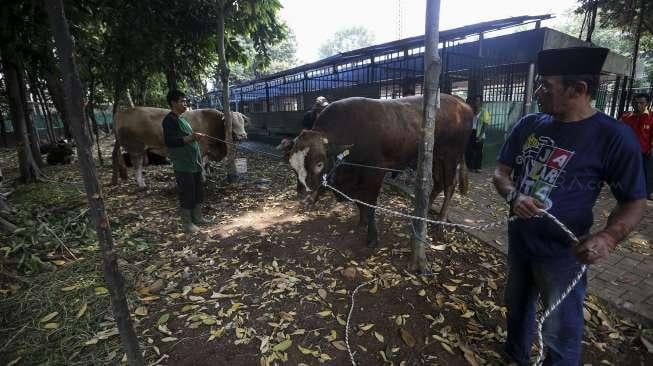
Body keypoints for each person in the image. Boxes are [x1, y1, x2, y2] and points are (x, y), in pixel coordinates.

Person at [493, 47, 646, 365]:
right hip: (520, 242)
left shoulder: (613, 137)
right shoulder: (530, 125)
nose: (537, 93)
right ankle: (515, 356)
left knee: (560, 330)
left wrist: (607, 237)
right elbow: (501, 173)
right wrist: (513, 195)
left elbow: (634, 200)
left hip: (563, 254)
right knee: (517, 306)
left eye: (546, 86)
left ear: (579, 90)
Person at [162, 90, 206, 233]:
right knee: (187, 192)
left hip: (194, 163)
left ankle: (197, 217)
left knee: (197, 190)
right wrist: (192, 137)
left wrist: (195, 136)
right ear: (174, 103)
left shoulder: (182, 119)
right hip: (183, 164)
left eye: (186, 101)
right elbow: (170, 141)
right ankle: (187, 224)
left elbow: (188, 137)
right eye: (183, 101)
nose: (185, 104)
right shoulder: (169, 120)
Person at [620, 93, 653, 200]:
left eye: (641, 103)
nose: (638, 105)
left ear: (647, 103)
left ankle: (646, 192)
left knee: (645, 173)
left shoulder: (651, 117)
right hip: (627, 152)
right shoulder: (626, 117)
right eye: (635, 102)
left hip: (644, 152)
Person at [465, 94, 491, 172]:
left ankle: (478, 167)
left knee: (478, 151)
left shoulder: (484, 111)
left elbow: (485, 124)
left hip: (479, 132)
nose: (476, 102)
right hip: (471, 132)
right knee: (469, 150)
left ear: (481, 102)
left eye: (478, 101)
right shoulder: (471, 110)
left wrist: (480, 135)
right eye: (475, 101)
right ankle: (470, 167)